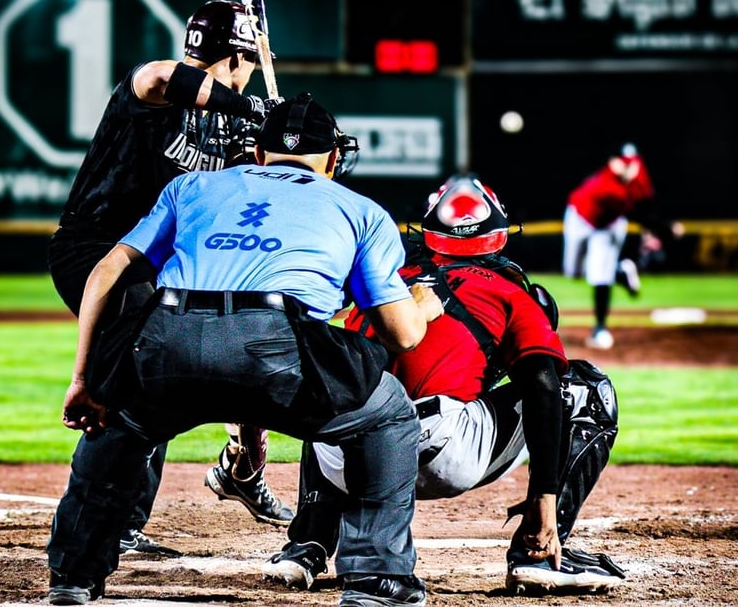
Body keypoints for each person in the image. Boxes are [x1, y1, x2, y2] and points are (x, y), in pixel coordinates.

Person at [45, 92, 444, 607]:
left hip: (170, 337)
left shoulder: (190, 186)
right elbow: (402, 335)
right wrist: (420, 305)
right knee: (385, 416)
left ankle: (73, 576)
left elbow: (106, 272)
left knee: (118, 421)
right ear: (333, 159)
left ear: (257, 154)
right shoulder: (361, 210)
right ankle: (375, 578)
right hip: (276, 351)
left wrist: (86, 380)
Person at [261, 173, 625, 596]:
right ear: (498, 234)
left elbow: (341, 372)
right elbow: (543, 384)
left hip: (349, 462)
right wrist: (542, 497)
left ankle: (305, 547)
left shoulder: (387, 282)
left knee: (342, 394)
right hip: (439, 450)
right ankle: (537, 551)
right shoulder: (509, 290)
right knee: (585, 387)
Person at [45, 0, 292, 559]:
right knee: (138, 369)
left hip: (159, 267)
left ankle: (243, 460)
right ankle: (116, 523)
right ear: (239, 56)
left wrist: (274, 143)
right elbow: (159, 75)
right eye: (253, 60)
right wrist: (251, 105)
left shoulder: (230, 131)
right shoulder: (155, 93)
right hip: (95, 252)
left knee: (233, 330)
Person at [561, 142, 684, 350]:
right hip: (581, 219)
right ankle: (620, 272)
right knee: (574, 272)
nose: (629, 168)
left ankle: (600, 329)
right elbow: (636, 214)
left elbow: (646, 204)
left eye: (632, 163)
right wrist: (666, 229)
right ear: (612, 163)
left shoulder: (638, 175)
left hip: (610, 225)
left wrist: (654, 231)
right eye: (624, 163)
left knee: (600, 276)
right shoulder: (606, 186)